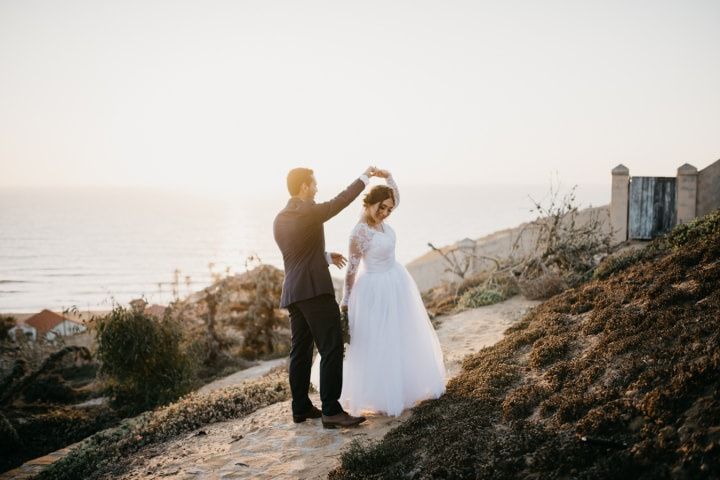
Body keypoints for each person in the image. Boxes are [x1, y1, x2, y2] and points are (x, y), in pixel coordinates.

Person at [311, 170, 446, 417]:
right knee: (377, 341)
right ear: (368, 203)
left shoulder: (383, 222)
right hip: (373, 289)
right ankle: (380, 394)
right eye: (380, 208)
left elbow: (396, 197)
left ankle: (402, 387)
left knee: (399, 336)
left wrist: (389, 176)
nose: (384, 213)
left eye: (389, 210)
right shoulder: (359, 233)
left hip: (396, 282)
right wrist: (345, 302)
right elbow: (351, 271)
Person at [274, 165, 382, 429]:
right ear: (303, 187)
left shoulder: (280, 218)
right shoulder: (308, 211)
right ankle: (331, 410)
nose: (317, 188)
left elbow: (295, 254)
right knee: (331, 347)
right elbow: (340, 202)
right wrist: (364, 178)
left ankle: (299, 407)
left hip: (294, 292)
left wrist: (322, 257)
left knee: (300, 350)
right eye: (314, 184)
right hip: (314, 290)